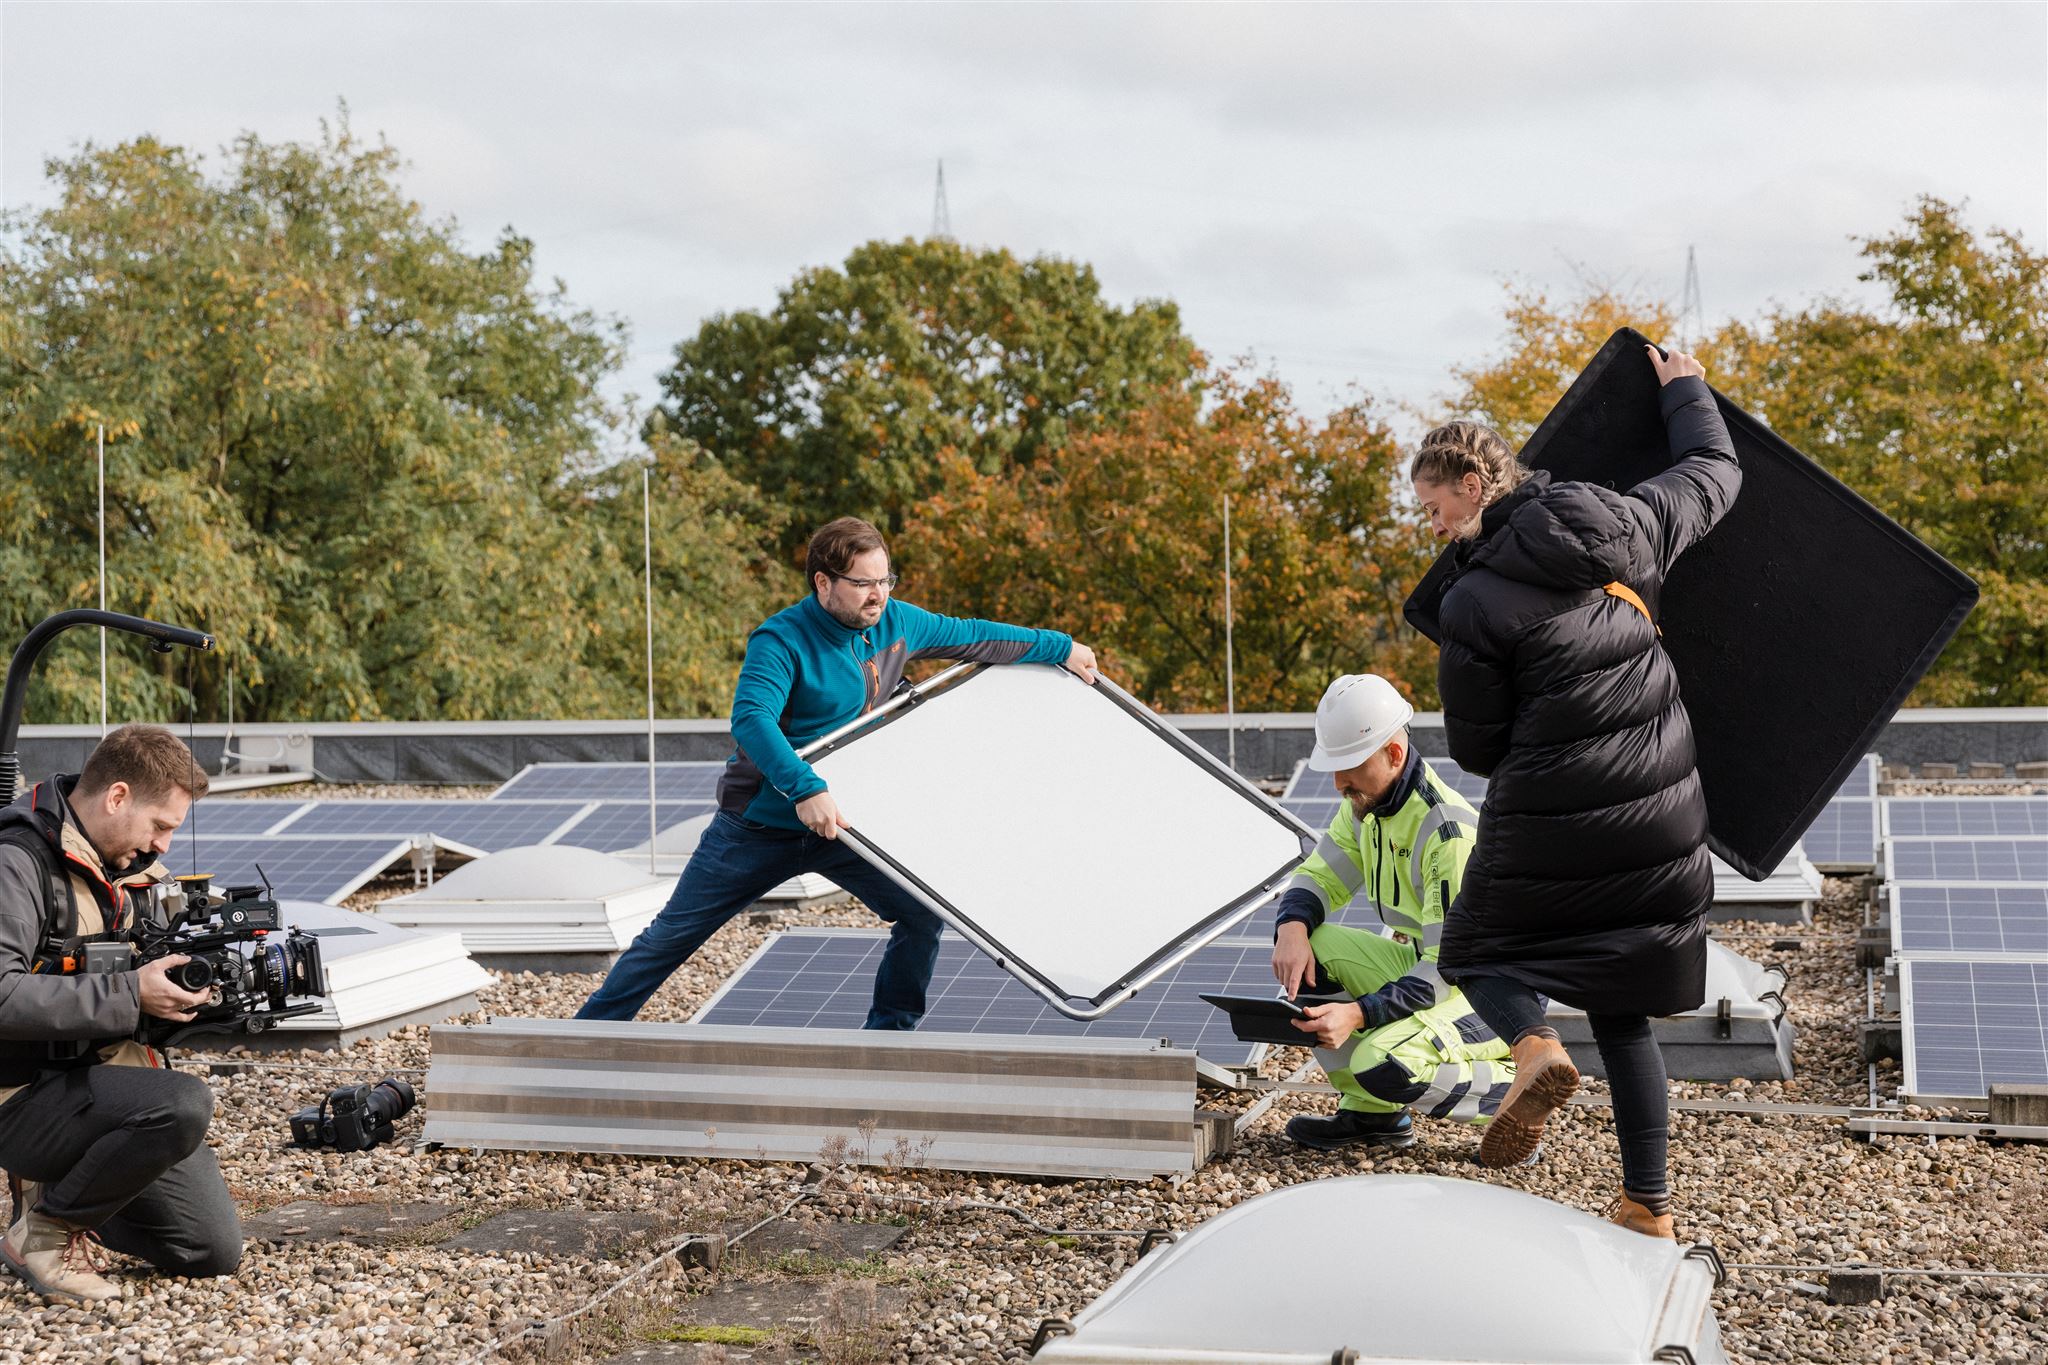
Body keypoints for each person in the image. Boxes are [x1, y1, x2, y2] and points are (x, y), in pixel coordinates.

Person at [1413, 345, 1740, 1239]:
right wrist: (1684, 387)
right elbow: (1715, 472)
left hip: (1557, 803)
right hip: (1665, 807)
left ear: (1476, 483)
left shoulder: (1473, 602)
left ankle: (1533, 1047)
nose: (1432, 527)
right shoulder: (1627, 522)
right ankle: (1648, 1205)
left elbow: (1478, 747)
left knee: (1475, 951)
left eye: (1435, 508)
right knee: (1623, 1003)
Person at [579, 516, 1098, 1029]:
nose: (878, 596)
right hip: (759, 828)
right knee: (671, 936)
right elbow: (752, 720)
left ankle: (889, 1038)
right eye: (863, 583)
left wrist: (1062, 646)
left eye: (885, 580)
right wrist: (804, 787)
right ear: (823, 582)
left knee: (921, 914)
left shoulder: (898, 622)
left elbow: (975, 637)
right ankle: (582, 1037)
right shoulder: (781, 640)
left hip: (844, 826)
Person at [0, 725, 240, 1303]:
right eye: (161, 826)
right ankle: (41, 1233)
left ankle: (64, 1192)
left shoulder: (130, 874)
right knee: (184, 1103)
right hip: (17, 1095)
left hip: (96, 1084)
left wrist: (194, 1002)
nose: (163, 846)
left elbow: (132, 989)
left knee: (208, 1250)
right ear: (117, 797)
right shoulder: (18, 861)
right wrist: (131, 995)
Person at [1269, 673, 1515, 1152]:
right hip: (1434, 968)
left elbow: (1448, 968)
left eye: (1350, 767)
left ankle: (1518, 1093)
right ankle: (1370, 1117)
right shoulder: (1367, 806)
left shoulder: (1448, 833)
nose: (1339, 783)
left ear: (1394, 755)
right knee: (1311, 950)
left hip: (1490, 993)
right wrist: (1291, 927)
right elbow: (1320, 876)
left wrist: (1360, 1014)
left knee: (1383, 1063)